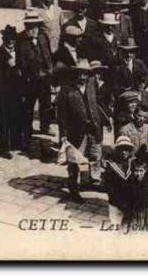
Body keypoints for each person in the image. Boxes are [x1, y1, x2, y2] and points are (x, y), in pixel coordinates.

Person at [57, 59, 103, 202]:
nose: (82, 77)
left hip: (94, 128)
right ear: (74, 74)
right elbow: (61, 115)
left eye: (85, 74)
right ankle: (73, 189)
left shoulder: (91, 84)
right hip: (76, 131)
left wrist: (103, 120)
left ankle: (89, 181)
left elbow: (98, 103)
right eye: (80, 74)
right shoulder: (66, 90)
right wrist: (63, 134)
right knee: (75, 160)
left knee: (95, 156)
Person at [16, 10, 54, 142]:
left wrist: (50, 71)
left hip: (45, 77)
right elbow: (19, 62)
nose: (33, 29)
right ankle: (27, 129)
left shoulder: (43, 36)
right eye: (30, 26)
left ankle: (45, 126)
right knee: (28, 106)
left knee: (46, 104)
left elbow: (48, 55)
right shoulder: (20, 39)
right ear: (26, 26)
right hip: (29, 79)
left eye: (35, 25)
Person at [0, 25, 24, 158]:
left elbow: (23, 69)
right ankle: (3, 148)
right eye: (8, 39)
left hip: (16, 92)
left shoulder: (19, 51)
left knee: (16, 117)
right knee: (3, 121)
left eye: (13, 39)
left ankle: (15, 144)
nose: (11, 41)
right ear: (4, 39)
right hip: (2, 93)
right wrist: (10, 68)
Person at [102, 135, 135, 226]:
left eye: (126, 149)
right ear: (117, 151)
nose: (124, 152)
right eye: (121, 149)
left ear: (129, 151)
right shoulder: (111, 166)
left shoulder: (132, 164)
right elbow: (109, 188)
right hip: (116, 203)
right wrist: (119, 202)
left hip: (130, 203)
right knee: (115, 225)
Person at [122, 158, 148, 231]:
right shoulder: (129, 182)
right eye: (136, 171)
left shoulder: (147, 180)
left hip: (144, 209)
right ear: (132, 171)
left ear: (145, 171)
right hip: (132, 210)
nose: (138, 173)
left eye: (141, 171)